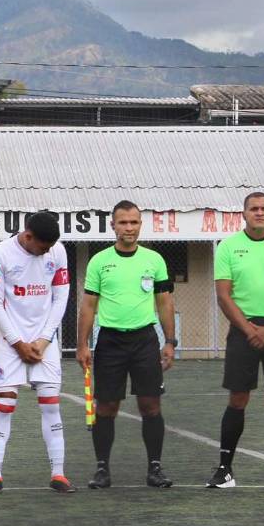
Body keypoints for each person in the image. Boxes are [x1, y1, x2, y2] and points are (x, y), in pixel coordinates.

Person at [76, 200, 176, 489]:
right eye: (123, 222)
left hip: (145, 340)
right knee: (106, 406)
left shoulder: (154, 260)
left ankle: (155, 469)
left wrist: (169, 342)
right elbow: (88, 306)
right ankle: (102, 469)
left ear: (140, 225)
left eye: (133, 222)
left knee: (151, 405)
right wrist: (82, 345)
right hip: (109, 341)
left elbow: (165, 302)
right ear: (113, 225)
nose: (128, 228)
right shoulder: (99, 261)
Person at [0, 211, 74, 495]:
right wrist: (18, 343)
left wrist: (44, 340)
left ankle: (58, 474)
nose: (46, 253)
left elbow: (61, 298)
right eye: (42, 247)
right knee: (4, 406)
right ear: (29, 236)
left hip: (45, 343)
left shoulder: (57, 250)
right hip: (11, 345)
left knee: (51, 405)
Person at [206, 192, 264, 488]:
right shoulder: (229, 247)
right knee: (238, 398)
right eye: (253, 209)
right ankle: (225, 470)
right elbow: (223, 294)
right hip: (242, 330)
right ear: (243, 214)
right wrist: (249, 329)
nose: (259, 213)